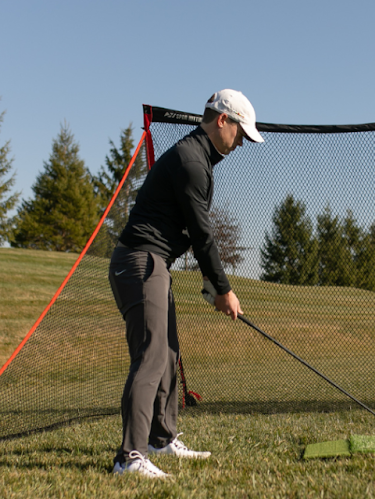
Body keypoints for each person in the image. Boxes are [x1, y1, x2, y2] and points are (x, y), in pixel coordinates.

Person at [107, 89, 263, 478]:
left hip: (154, 262)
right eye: (240, 133)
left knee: (168, 350)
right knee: (152, 354)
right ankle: (129, 458)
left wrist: (215, 285)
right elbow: (203, 234)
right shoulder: (192, 161)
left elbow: (194, 234)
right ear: (222, 120)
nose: (241, 143)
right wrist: (224, 289)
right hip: (140, 262)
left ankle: (161, 439)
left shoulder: (199, 158)